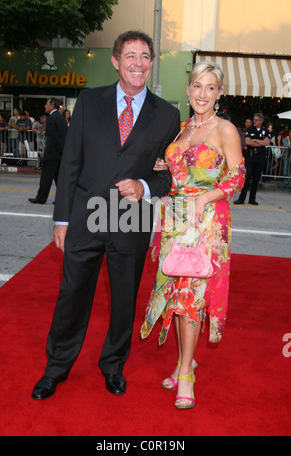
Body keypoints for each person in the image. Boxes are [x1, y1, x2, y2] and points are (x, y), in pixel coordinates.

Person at [31, 30, 180, 400]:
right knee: (72, 295)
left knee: (124, 301)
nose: (138, 63)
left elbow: (170, 173)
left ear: (151, 63)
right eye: (131, 55)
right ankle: (56, 368)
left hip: (131, 219)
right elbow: (70, 163)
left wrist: (144, 187)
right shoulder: (88, 101)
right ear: (116, 61)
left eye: (145, 56)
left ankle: (113, 365)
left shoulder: (168, 115)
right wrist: (61, 219)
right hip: (85, 215)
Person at [140, 61, 246, 410]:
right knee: (175, 294)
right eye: (197, 86)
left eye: (210, 87)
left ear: (219, 93)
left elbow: (237, 176)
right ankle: (185, 360)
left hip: (205, 223)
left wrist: (206, 196)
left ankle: (186, 372)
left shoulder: (224, 129)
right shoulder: (181, 129)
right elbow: (181, 169)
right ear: (188, 90)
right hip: (174, 219)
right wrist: (165, 167)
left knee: (191, 298)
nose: (202, 93)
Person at [28, 98, 68, 204]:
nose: (45, 106)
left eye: (46, 104)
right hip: (60, 154)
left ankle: (41, 198)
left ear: (52, 106)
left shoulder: (50, 118)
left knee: (46, 177)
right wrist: (63, 151)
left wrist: (59, 150)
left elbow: (54, 137)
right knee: (59, 178)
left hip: (52, 153)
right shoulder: (61, 118)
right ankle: (62, 199)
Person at [234, 113, 271, 205]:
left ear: (261, 121)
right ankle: (241, 198)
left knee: (256, 179)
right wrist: (260, 142)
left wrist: (255, 140)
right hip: (251, 156)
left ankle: (252, 199)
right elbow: (247, 142)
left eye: (256, 120)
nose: (254, 121)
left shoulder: (265, 131)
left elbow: (267, 142)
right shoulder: (250, 129)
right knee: (247, 177)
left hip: (260, 156)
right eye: (254, 119)